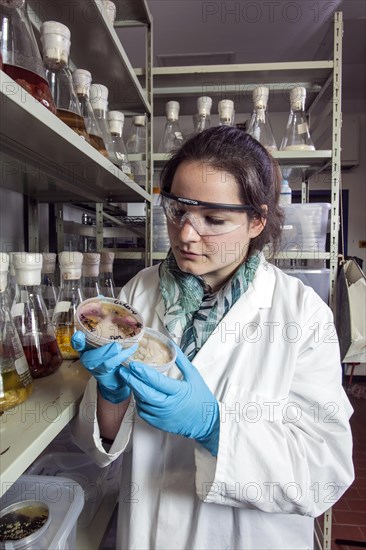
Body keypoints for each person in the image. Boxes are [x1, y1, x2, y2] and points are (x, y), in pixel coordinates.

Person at [71, 126, 354, 550]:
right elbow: (109, 441)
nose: (186, 234)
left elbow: (325, 472)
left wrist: (215, 426)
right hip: (145, 529)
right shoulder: (136, 295)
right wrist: (110, 398)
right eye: (177, 210)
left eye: (214, 220)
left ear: (257, 220)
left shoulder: (301, 314)